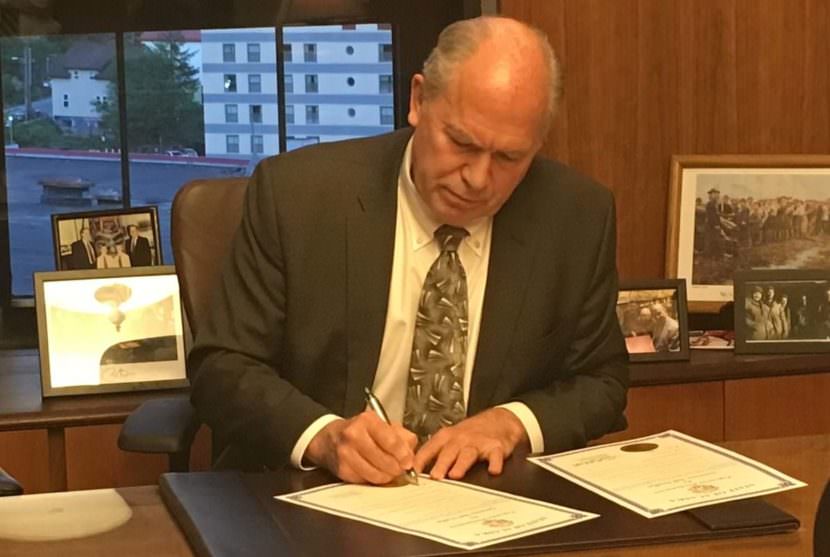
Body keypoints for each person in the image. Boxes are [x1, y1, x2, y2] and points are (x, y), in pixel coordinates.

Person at [189, 16, 628, 485]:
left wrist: (512, 423)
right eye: (461, 143)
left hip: (484, 499)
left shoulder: (576, 216)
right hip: (316, 490)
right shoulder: (298, 196)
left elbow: (601, 382)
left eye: (508, 157)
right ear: (418, 101)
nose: (478, 179)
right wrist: (324, 437)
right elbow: (222, 367)